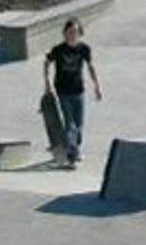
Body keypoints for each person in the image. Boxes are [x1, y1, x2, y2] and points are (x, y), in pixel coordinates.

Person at [43, 18, 103, 166]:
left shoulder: (84, 49)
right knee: (70, 125)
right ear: (64, 33)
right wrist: (47, 84)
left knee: (79, 125)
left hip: (79, 91)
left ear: (80, 33)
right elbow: (46, 63)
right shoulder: (58, 50)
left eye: (75, 32)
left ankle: (74, 148)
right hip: (63, 92)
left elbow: (90, 66)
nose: (72, 35)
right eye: (69, 32)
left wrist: (97, 86)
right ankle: (72, 155)